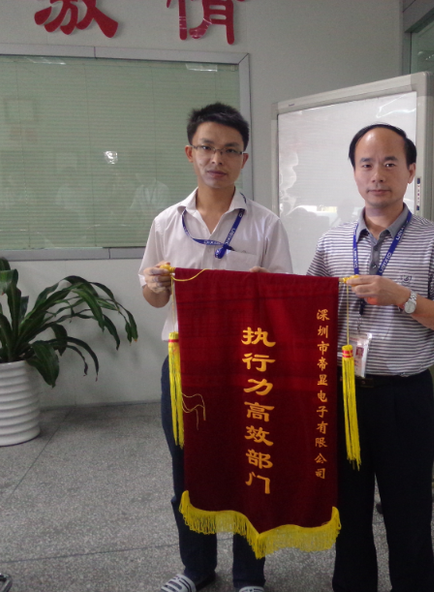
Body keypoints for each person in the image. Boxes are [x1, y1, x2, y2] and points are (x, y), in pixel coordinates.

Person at [307, 124, 434, 592]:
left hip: (404, 398)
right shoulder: (332, 242)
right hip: (344, 396)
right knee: (347, 514)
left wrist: (403, 297)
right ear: (355, 173)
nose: (377, 174)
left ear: (411, 170)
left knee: (409, 516)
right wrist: (264, 287)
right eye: (367, 164)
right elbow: (308, 312)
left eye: (390, 163)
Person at [139, 103, 292, 592]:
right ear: (190, 153)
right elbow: (153, 295)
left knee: (251, 466)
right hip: (185, 362)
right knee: (187, 467)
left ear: (243, 160)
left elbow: (284, 298)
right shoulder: (167, 222)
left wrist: (265, 287)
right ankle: (196, 568)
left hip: (248, 363)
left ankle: (250, 574)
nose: (217, 159)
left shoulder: (265, 224)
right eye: (207, 148)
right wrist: (157, 286)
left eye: (229, 150)